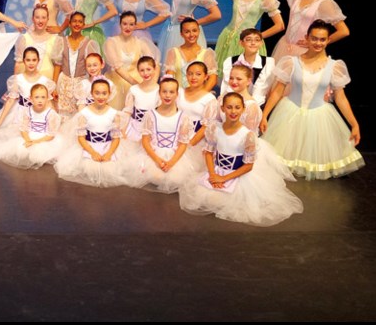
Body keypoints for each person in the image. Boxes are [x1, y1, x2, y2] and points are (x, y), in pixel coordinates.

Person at [179, 92, 303, 226]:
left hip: (237, 175)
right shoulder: (215, 128)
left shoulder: (247, 135)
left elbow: (248, 166)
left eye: (237, 107)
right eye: (229, 107)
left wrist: (224, 179)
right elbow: (208, 153)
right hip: (218, 170)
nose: (233, 111)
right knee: (208, 198)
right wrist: (213, 174)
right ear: (222, 109)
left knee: (226, 202)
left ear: (243, 109)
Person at [261, 20, 364, 180]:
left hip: (319, 116)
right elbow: (277, 91)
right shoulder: (291, 62)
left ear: (328, 40)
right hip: (290, 113)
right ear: (307, 38)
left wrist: (354, 124)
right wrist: (265, 114)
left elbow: (341, 98)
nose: (318, 43)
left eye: (322, 39)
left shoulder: (335, 66)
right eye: (314, 38)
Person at [125, 76, 198, 193]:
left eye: (171, 92)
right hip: (154, 154)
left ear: (177, 95)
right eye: (164, 92)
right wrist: (157, 160)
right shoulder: (151, 115)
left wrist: (171, 163)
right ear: (159, 93)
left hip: (174, 155)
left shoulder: (183, 118)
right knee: (155, 176)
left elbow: (183, 144)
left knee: (176, 178)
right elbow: (145, 141)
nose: (168, 95)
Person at [54, 79, 129, 187]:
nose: (100, 97)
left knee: (109, 171)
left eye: (104, 93)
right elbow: (81, 138)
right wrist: (93, 153)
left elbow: (116, 138)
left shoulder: (114, 114)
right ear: (91, 94)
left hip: (108, 146)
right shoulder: (84, 113)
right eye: (97, 93)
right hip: (89, 146)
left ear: (109, 94)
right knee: (91, 170)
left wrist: (109, 153)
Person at [0, 83, 64, 170]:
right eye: (37, 97)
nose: (40, 100)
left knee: (40, 153)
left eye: (43, 97)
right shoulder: (27, 111)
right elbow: (23, 129)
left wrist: (36, 142)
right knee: (21, 150)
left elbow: (51, 135)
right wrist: (28, 139)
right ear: (31, 98)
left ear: (47, 99)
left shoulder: (50, 113)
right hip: (30, 135)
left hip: (44, 138)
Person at [103, 11, 160, 110]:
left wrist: (152, 83)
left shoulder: (140, 43)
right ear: (120, 25)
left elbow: (155, 64)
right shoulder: (111, 42)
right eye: (125, 24)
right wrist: (136, 85)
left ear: (135, 26)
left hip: (138, 81)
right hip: (118, 84)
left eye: (131, 24)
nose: (128, 27)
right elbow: (118, 68)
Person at [0, 47, 57, 132]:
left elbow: (48, 102)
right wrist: (0, 120)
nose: (31, 63)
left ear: (38, 61)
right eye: (28, 60)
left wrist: (54, 120)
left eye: (34, 60)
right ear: (24, 61)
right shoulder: (17, 79)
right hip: (20, 113)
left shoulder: (44, 81)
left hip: (38, 114)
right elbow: (10, 101)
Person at [54, 12, 101, 116]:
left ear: (83, 25)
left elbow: (95, 68)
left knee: (80, 114)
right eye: (74, 21)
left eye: (80, 22)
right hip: (64, 83)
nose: (77, 24)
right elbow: (57, 65)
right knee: (63, 114)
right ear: (69, 24)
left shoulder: (89, 43)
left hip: (82, 83)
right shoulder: (61, 41)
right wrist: (54, 86)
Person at [219, 28, 276, 106]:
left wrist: (250, 106)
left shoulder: (268, 62)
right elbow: (228, 87)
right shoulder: (230, 61)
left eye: (257, 40)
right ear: (241, 43)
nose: (253, 43)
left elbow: (261, 90)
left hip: (256, 104)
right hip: (232, 103)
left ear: (261, 43)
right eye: (248, 40)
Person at [164, 18, 218, 91]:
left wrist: (199, 96)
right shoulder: (173, 52)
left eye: (194, 31)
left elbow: (213, 78)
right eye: (187, 32)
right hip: (178, 96)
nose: (191, 34)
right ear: (181, 34)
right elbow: (169, 77)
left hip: (200, 96)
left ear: (199, 31)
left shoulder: (207, 53)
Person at [13, 5, 61, 81]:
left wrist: (54, 86)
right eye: (37, 17)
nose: (40, 21)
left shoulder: (56, 39)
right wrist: (15, 85)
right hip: (27, 82)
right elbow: (18, 63)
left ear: (48, 19)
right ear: (33, 19)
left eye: (43, 17)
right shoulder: (24, 38)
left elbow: (57, 65)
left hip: (47, 81)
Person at [122, 56, 160, 142]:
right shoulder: (134, 89)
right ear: (138, 71)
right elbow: (128, 112)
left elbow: (161, 114)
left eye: (148, 69)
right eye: (142, 70)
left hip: (152, 129)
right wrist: (123, 130)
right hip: (134, 128)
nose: (145, 73)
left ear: (154, 69)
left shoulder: (160, 90)